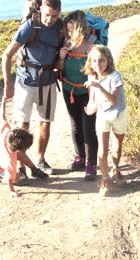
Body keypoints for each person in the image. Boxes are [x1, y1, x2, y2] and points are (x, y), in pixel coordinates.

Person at [1, 0, 64, 184]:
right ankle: (20, 168)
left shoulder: (61, 27)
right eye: (47, 15)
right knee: (22, 127)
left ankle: (40, 160)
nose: (50, 19)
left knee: (45, 123)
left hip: (48, 81)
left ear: (59, 12)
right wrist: (8, 83)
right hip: (26, 82)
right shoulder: (30, 25)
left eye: (54, 16)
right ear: (41, 8)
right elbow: (7, 55)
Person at [57, 10, 98, 181]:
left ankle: (91, 164)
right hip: (69, 90)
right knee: (75, 125)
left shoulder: (93, 45)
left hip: (89, 92)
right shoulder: (65, 43)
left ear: (81, 29)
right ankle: (79, 158)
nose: (70, 33)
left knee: (88, 128)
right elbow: (58, 69)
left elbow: (100, 71)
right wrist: (61, 58)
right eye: (68, 30)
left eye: (73, 30)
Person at [83, 45, 127, 196]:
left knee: (117, 145)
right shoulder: (92, 77)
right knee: (102, 150)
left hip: (118, 113)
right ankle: (105, 179)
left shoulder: (115, 76)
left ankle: (116, 168)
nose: (97, 64)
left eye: (101, 60)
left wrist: (99, 87)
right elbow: (93, 98)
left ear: (108, 60)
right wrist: (90, 108)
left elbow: (113, 101)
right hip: (103, 115)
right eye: (94, 61)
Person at [0, 98, 34, 198]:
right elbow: (10, 179)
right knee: (18, 178)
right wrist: (12, 191)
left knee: (16, 166)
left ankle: (34, 169)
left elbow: (2, 116)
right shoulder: (11, 159)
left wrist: (4, 99)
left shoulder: (7, 133)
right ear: (19, 149)